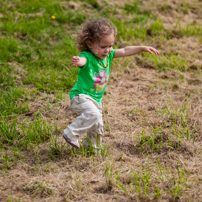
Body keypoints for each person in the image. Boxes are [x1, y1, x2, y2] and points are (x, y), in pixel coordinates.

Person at [62, 19, 160, 149]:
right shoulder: (88, 56)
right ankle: (71, 133)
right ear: (90, 44)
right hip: (81, 96)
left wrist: (142, 48)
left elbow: (125, 50)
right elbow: (83, 60)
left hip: (96, 100)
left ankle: (92, 148)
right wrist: (78, 60)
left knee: (97, 125)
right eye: (103, 47)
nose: (108, 50)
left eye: (110, 46)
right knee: (93, 115)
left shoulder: (108, 56)